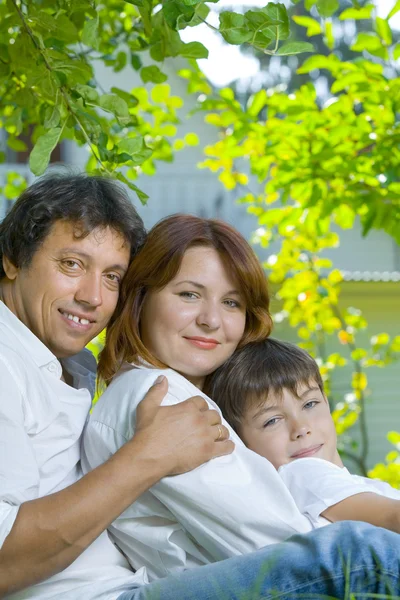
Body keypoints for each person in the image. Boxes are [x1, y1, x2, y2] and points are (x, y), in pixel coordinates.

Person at [1, 176, 399, 600]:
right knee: (359, 554)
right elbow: (285, 543)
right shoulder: (160, 398)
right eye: (72, 264)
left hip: (132, 587)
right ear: (12, 259)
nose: (93, 297)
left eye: (232, 302)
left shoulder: (73, 365)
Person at [207, 337, 400, 532]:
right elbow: (393, 518)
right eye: (272, 420)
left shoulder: (367, 486)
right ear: (241, 441)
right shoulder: (302, 474)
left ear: (326, 401)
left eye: (309, 404)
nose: (300, 428)